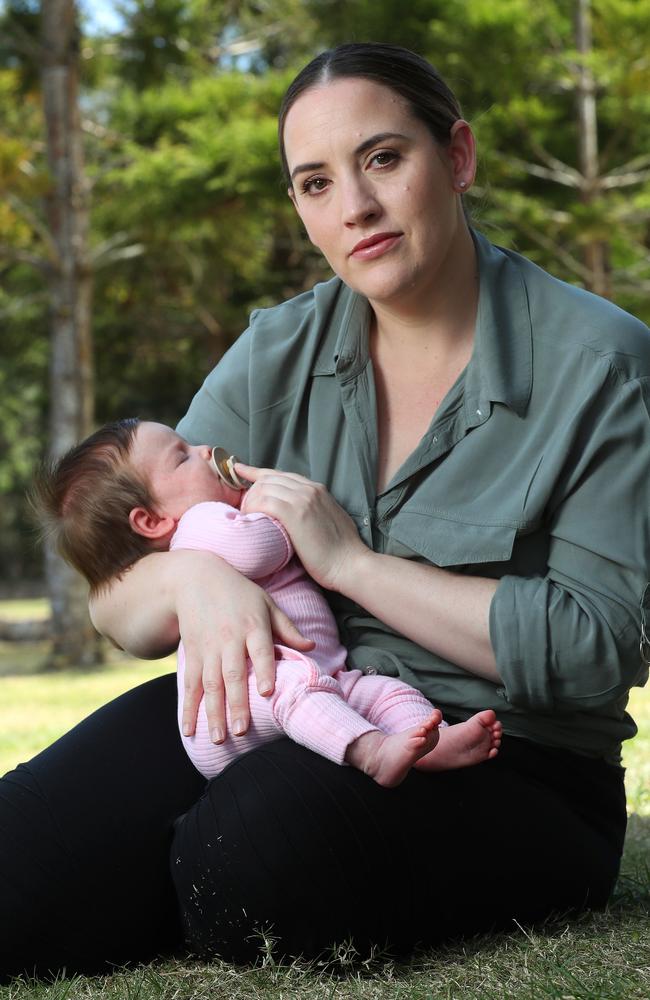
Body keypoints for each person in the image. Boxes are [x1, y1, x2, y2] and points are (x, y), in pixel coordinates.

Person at [1, 41, 649, 981]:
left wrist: (352, 566)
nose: (355, 208)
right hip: (276, 711)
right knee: (18, 863)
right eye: (314, 182)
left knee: (255, 850)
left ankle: (181, 872)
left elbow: (599, 650)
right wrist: (191, 580)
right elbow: (118, 597)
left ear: (457, 158)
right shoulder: (278, 350)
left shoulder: (606, 365)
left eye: (384, 158)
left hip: (510, 760)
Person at [32, 416, 502, 787]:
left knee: (379, 691)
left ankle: (429, 741)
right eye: (183, 457)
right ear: (152, 521)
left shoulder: (201, 522)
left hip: (325, 675)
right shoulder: (202, 526)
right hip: (246, 702)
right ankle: (369, 751)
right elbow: (259, 548)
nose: (205, 451)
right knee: (294, 683)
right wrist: (273, 505)